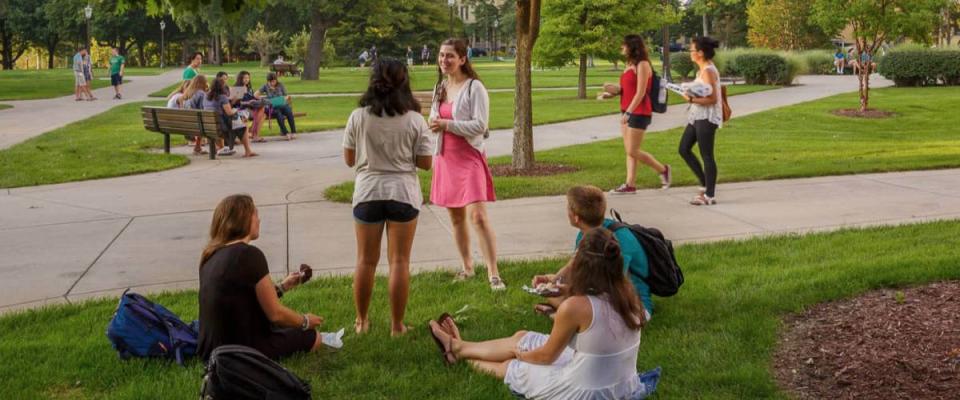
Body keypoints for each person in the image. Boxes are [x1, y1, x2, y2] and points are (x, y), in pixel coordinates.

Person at [428, 227, 649, 399]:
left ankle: (458, 353)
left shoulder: (575, 307)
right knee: (523, 336)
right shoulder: (628, 295)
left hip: (587, 392)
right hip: (620, 384)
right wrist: (562, 293)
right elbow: (595, 326)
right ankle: (458, 347)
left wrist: (520, 355)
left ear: (582, 265)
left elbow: (546, 356)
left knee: (512, 366)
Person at [343, 58, 434, 337]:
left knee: (365, 261)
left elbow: (349, 159)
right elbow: (425, 163)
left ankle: (362, 321)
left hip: (368, 192)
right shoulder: (416, 120)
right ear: (405, 82)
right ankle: (397, 326)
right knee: (399, 262)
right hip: (403, 193)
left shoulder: (358, 117)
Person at [198, 194, 325, 361]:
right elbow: (275, 314)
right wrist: (305, 321)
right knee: (313, 337)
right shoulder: (249, 254)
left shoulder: (210, 256)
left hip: (210, 351)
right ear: (244, 219)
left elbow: (243, 298)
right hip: (240, 353)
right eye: (255, 214)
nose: (259, 219)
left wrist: (283, 286)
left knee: (279, 328)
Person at [429, 38, 503, 290]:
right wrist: (434, 122)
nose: (444, 60)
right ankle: (467, 267)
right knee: (457, 218)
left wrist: (447, 125)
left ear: (463, 59)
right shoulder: (440, 87)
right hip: (445, 158)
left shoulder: (475, 88)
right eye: (441, 55)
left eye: (450, 56)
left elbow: (480, 126)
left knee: (479, 217)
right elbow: (433, 117)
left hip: (469, 157)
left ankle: (493, 273)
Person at [530, 185, 653, 320]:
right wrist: (552, 280)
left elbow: (614, 288)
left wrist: (565, 290)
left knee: (568, 303)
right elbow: (576, 268)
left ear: (576, 217)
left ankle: (557, 315)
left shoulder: (616, 239)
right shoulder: (585, 233)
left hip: (632, 307)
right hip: (601, 296)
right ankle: (563, 312)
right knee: (552, 293)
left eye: (568, 207)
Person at [611, 34, 670, 195]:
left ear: (632, 47)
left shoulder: (643, 65)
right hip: (626, 110)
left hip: (639, 112)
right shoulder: (629, 64)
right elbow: (627, 89)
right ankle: (630, 184)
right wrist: (612, 92)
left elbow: (641, 91)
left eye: (624, 45)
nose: (621, 48)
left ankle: (663, 169)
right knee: (629, 150)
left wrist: (629, 112)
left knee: (632, 150)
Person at [679, 36, 723, 206]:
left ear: (700, 53)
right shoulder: (702, 71)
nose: (689, 53)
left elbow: (712, 99)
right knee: (683, 149)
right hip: (697, 116)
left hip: (707, 117)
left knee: (707, 155)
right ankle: (705, 184)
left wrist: (690, 99)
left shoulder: (709, 71)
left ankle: (709, 195)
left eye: (691, 50)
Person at [205, 77, 257, 157]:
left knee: (238, 123)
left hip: (209, 126)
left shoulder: (206, 97)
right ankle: (248, 151)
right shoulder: (222, 97)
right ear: (221, 86)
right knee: (243, 126)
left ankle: (223, 148)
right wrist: (236, 110)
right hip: (221, 127)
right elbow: (229, 113)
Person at [260, 72, 297, 140]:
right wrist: (265, 100)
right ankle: (286, 133)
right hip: (273, 107)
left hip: (283, 105)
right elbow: (256, 94)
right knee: (278, 114)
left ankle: (293, 131)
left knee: (289, 111)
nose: (273, 83)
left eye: (274, 81)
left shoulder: (280, 85)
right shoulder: (265, 86)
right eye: (271, 81)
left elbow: (286, 96)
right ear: (268, 81)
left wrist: (283, 98)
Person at [234, 71, 267, 143]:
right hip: (241, 109)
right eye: (244, 78)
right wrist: (248, 102)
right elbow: (235, 103)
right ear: (240, 78)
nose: (247, 79)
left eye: (248, 78)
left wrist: (258, 100)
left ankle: (253, 132)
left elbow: (252, 98)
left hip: (250, 108)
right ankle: (254, 135)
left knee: (263, 113)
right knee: (262, 113)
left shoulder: (249, 88)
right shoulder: (237, 88)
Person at [181, 75, 210, 155]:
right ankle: (219, 147)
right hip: (196, 121)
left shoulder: (188, 92)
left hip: (187, 121)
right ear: (204, 83)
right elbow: (203, 109)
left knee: (201, 120)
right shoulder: (201, 93)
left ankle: (198, 147)